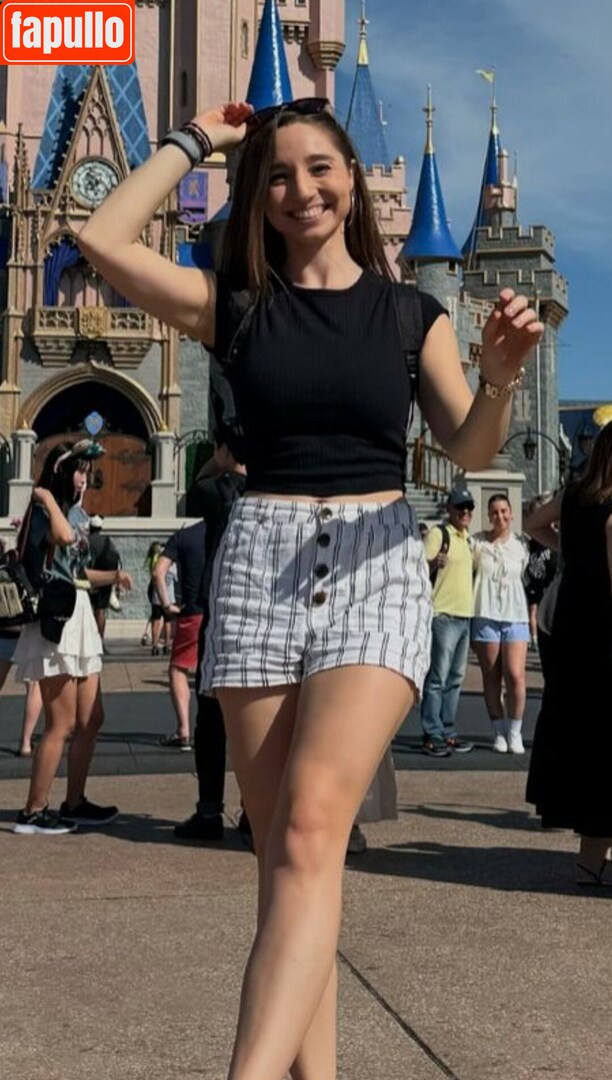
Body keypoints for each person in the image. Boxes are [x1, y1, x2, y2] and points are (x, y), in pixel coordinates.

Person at [78, 97, 542, 1080]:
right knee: (290, 862)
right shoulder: (237, 306)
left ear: (353, 180)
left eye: (321, 168)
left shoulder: (411, 314)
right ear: (259, 196)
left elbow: (467, 448)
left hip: (376, 557)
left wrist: (498, 377)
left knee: (306, 830)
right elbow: (101, 239)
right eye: (279, 175)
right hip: (260, 564)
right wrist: (197, 141)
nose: (302, 189)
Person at [12, 441, 133, 835]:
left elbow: (79, 572)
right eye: (79, 470)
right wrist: (46, 496)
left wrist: (114, 576)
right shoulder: (46, 511)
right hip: (56, 618)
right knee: (60, 723)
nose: (85, 478)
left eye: (87, 471)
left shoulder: (76, 514)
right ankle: (33, 811)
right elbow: (63, 538)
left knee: (90, 719)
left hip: (77, 611)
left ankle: (75, 802)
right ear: (61, 472)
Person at [525, 422, 612, 885]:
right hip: (604, 631)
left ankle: (589, 862)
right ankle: (592, 863)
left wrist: (574, 549)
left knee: (587, 739)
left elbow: (532, 524)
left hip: (572, 628)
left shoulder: (574, 494)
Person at [173, 438, 248, 841]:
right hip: (263, 612)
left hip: (220, 610)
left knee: (211, 715)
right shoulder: (268, 491)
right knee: (257, 714)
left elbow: (195, 487)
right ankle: (255, 808)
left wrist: (218, 461)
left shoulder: (217, 491)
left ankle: (208, 810)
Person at [471, 493, 530, 754]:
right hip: (486, 613)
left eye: (504, 511)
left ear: (511, 514)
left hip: (515, 614)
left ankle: (515, 730)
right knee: (492, 675)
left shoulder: (521, 545)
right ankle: (498, 730)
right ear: (488, 515)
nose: (500, 516)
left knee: (515, 675)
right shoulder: (477, 543)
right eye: (495, 512)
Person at [420, 486, 476, 756]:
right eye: (460, 507)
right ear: (449, 509)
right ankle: (432, 732)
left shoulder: (467, 539)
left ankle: (448, 730)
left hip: (465, 616)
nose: (465, 512)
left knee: (455, 678)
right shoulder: (438, 534)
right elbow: (419, 569)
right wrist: (433, 563)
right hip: (443, 615)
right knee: (438, 678)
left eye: (469, 508)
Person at [155, 519, 207, 750]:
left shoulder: (183, 536)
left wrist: (167, 605)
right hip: (221, 611)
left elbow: (158, 572)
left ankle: (183, 730)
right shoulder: (228, 529)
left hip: (193, 613)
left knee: (178, 669)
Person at [523, 495, 557, 650]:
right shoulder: (530, 542)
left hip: (553, 583)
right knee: (534, 608)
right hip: (537, 580)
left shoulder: (559, 536)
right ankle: (535, 638)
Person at [88, 514, 121, 645]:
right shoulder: (107, 541)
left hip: (91, 578)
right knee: (101, 609)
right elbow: (117, 560)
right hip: (106, 579)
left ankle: (90, 641)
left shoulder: (87, 540)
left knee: (89, 609)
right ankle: (100, 642)